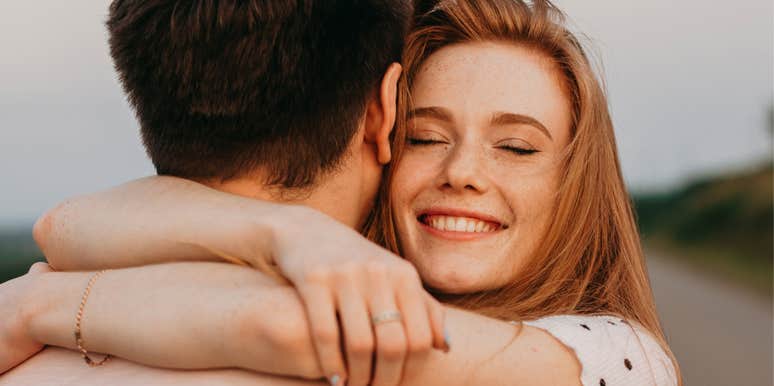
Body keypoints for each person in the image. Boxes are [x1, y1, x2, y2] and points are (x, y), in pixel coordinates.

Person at [3, 1, 682, 385]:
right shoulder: (327, 272)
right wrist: (291, 234)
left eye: (517, 147)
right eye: (424, 136)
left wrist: (40, 303)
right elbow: (65, 225)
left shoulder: (618, 358)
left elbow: (285, 329)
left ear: (576, 183)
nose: (464, 172)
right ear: (384, 128)